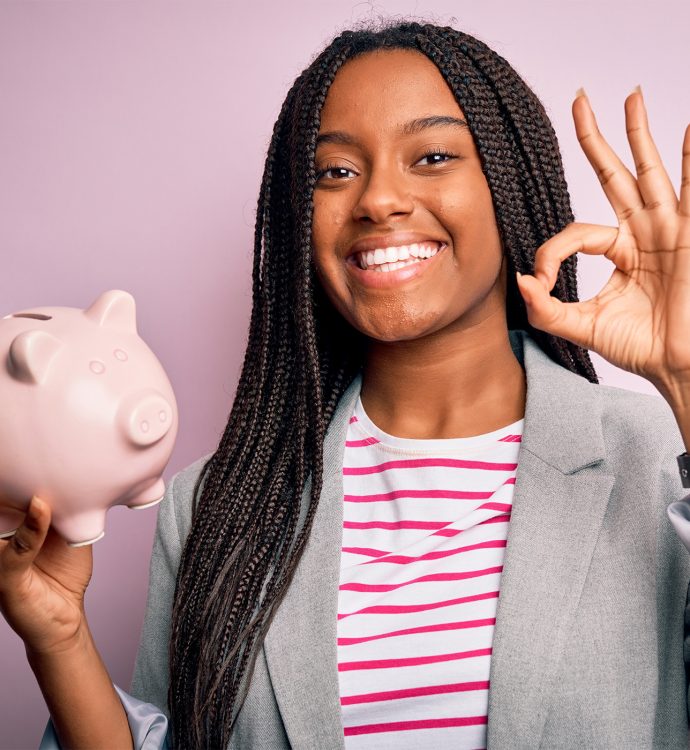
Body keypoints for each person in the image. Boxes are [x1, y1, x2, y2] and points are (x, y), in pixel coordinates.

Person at [2, 19, 690, 750]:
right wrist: (60, 640)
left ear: (508, 181)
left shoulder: (656, 459)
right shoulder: (217, 504)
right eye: (335, 171)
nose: (378, 200)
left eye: (431, 155)